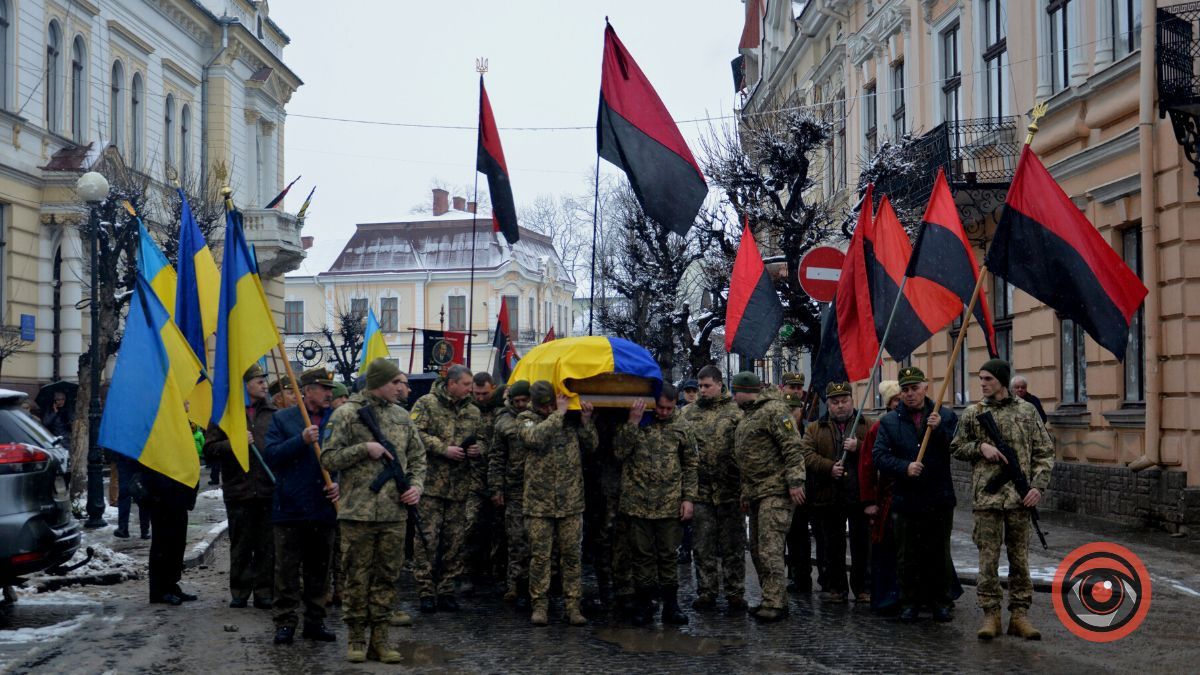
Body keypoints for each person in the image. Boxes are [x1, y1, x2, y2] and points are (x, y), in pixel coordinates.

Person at [322, 358, 426, 664]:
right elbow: (328, 459)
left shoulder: (402, 417)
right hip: (357, 513)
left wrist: (416, 487)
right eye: (396, 382)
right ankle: (355, 638)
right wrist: (363, 449)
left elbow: (418, 458)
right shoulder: (346, 415)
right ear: (379, 382)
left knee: (387, 577)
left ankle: (380, 640)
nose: (401, 388)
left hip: (395, 513)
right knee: (356, 578)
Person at [951, 358, 1055, 641]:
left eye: (988, 379)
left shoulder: (1027, 411)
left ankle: (1019, 615)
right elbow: (956, 446)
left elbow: (1045, 451)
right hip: (987, 498)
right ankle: (991, 614)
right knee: (988, 559)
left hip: (1021, 499)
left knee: (1020, 559)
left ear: (1001, 381)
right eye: (981, 378)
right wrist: (980, 447)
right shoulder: (974, 413)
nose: (982, 383)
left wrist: (1038, 487)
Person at [873, 368, 959, 622]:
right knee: (907, 555)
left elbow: (958, 447)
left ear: (925, 387)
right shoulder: (890, 421)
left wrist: (941, 429)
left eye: (915, 388)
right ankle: (908, 602)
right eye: (906, 390)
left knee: (938, 553)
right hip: (906, 498)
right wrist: (904, 467)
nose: (910, 394)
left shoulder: (944, 415)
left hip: (938, 497)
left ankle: (940, 601)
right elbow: (879, 456)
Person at [264, 368, 340, 646]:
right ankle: (285, 622)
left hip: (323, 508)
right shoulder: (283, 419)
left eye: (330, 389)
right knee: (286, 571)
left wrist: (339, 484)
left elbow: (345, 458)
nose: (329, 393)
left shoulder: (336, 420)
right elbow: (271, 455)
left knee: (319, 571)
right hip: (291, 508)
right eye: (323, 388)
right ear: (307, 391)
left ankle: (315, 621)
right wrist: (301, 440)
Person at [615, 384, 699, 626]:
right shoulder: (639, 421)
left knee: (668, 556)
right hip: (637, 502)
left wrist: (688, 499)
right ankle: (644, 605)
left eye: (669, 408)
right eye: (660, 407)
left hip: (669, 503)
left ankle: (671, 607)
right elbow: (619, 452)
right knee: (641, 556)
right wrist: (633, 422)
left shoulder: (682, 426)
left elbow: (691, 465)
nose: (663, 412)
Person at [518, 381, 597, 626]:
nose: (550, 408)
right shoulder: (526, 418)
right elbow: (534, 438)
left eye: (553, 404)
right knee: (540, 558)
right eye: (546, 406)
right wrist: (558, 414)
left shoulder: (570, 419)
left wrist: (585, 421)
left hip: (570, 502)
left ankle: (573, 607)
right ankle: (539, 606)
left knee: (572, 557)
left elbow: (592, 445)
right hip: (539, 504)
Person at [731, 371, 806, 622]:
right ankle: (769, 596)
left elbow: (792, 447)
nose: (733, 397)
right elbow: (746, 458)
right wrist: (745, 491)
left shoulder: (775, 410)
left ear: (745, 390)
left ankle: (775, 603)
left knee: (769, 549)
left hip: (776, 490)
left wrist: (796, 482)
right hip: (756, 492)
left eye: (735, 391)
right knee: (756, 549)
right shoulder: (749, 414)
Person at [204, 364, 278, 610]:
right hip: (239, 489)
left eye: (265, 381)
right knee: (242, 545)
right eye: (259, 381)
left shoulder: (273, 413)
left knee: (267, 545)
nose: (265, 385)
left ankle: (264, 592)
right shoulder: (226, 415)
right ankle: (240, 591)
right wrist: (234, 444)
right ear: (245, 386)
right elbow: (210, 450)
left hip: (267, 489)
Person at [409, 364, 481, 613]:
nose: (469, 389)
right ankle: (426, 591)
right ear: (451, 383)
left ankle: (447, 589)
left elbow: (481, 438)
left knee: (454, 541)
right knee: (427, 540)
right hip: (430, 485)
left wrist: (475, 450)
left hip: (459, 487)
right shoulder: (426, 403)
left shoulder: (473, 411)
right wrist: (443, 448)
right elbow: (415, 433)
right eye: (465, 384)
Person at [680, 365, 746, 613]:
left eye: (707, 386)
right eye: (700, 386)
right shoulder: (688, 414)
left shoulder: (736, 412)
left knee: (733, 545)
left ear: (720, 384)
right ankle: (707, 591)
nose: (702, 391)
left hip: (730, 489)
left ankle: (735, 593)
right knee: (703, 545)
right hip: (702, 492)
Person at [800, 381, 872, 604]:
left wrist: (859, 447)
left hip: (858, 494)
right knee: (833, 545)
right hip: (828, 494)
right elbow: (805, 454)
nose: (840, 406)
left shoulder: (866, 424)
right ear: (828, 404)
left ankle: (862, 587)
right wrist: (828, 467)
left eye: (844, 401)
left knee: (861, 545)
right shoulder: (815, 428)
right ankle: (836, 587)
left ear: (852, 401)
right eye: (835, 402)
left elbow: (877, 451)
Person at [487, 380, 532, 607]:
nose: (522, 405)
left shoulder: (540, 419)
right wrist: (496, 488)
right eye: (518, 401)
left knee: (537, 542)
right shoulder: (504, 422)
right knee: (516, 539)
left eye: (525, 400)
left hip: (537, 488)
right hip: (513, 488)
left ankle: (535, 586)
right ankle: (515, 585)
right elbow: (496, 457)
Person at [859, 380, 901, 614]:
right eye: (896, 399)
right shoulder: (879, 427)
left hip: (912, 498)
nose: (900, 402)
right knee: (885, 550)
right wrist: (869, 501)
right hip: (886, 498)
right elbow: (867, 466)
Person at [464, 372, 504, 595]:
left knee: (499, 530)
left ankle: (497, 574)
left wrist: (484, 448)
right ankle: (469, 572)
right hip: (474, 481)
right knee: (471, 526)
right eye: (476, 393)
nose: (479, 398)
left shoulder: (502, 412)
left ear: (494, 388)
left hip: (497, 480)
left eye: (484, 394)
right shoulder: (469, 411)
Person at [141, 462, 199, 605]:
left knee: (177, 545)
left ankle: (171, 586)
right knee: (162, 546)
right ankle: (159, 591)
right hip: (161, 501)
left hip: (178, 498)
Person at [779, 371, 816, 594]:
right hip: (785, 490)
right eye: (791, 387)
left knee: (802, 537)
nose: (795, 390)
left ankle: (803, 577)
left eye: (798, 387)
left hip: (808, 489)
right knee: (790, 536)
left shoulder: (809, 427)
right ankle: (794, 574)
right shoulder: (779, 424)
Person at [113, 452, 151, 539]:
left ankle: (123, 528)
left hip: (126, 459)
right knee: (142, 493)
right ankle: (144, 530)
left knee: (125, 494)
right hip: (141, 458)